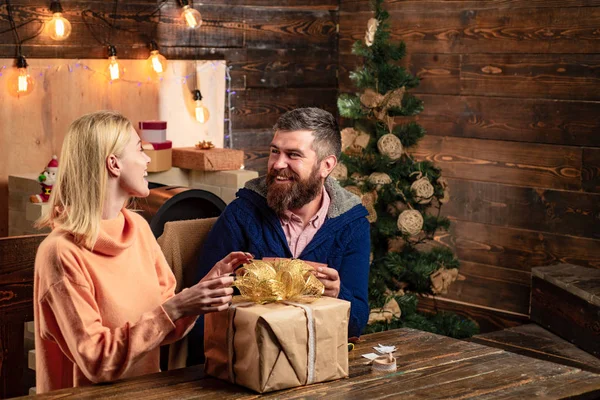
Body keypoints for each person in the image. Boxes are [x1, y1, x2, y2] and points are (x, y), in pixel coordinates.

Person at [33, 111, 253, 394]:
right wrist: (177, 307)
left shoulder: (137, 227)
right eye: (139, 149)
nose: (148, 159)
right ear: (113, 163)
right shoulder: (60, 253)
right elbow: (98, 362)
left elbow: (164, 326)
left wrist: (199, 295)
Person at [188, 107, 370, 364]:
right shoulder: (242, 213)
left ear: (326, 165)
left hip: (318, 366)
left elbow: (358, 322)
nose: (277, 164)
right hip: (245, 362)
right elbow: (201, 308)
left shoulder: (351, 224)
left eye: (293, 155)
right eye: (275, 151)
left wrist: (338, 294)